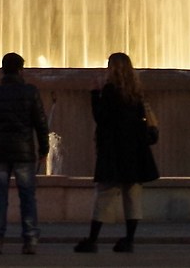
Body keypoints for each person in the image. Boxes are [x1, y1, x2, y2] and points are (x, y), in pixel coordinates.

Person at [74, 52, 159, 253]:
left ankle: (92, 240)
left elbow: (101, 118)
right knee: (132, 196)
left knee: (104, 194)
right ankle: (129, 240)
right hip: (136, 152)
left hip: (114, 151)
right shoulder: (136, 92)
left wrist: (95, 93)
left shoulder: (111, 91)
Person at [0, 52, 49, 255]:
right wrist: (44, 149)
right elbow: (41, 124)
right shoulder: (30, 92)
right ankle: (30, 239)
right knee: (27, 196)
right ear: (20, 70)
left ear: (3, 70)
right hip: (24, 153)